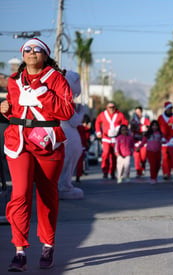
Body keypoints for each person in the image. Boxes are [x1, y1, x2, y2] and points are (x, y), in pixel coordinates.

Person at [0, 38, 74, 271]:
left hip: (47, 144)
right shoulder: (13, 81)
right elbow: (13, 107)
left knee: (46, 196)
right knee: (20, 194)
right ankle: (20, 251)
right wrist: (4, 109)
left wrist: (44, 93)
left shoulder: (56, 79)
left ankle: (48, 245)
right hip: (18, 142)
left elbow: (67, 111)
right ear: (23, 55)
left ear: (45, 55)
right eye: (27, 49)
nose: (32, 53)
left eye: (37, 49)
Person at [57, 71, 84, 200]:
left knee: (67, 161)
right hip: (67, 135)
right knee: (66, 161)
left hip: (66, 135)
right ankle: (64, 186)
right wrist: (82, 112)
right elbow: (74, 121)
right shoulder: (64, 101)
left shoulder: (64, 100)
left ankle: (64, 185)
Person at [95, 101, 129, 179]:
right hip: (106, 138)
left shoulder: (119, 115)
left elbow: (125, 123)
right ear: (107, 108)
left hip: (116, 138)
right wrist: (98, 132)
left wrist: (121, 129)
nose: (111, 109)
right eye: (110, 107)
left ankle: (112, 171)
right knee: (105, 154)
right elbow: (97, 123)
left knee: (114, 156)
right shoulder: (103, 115)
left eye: (113, 107)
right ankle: (105, 171)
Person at [136, 120, 163, 184]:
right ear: (151, 126)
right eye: (153, 125)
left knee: (158, 165)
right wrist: (139, 147)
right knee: (152, 165)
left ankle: (155, 176)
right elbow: (143, 142)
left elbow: (164, 140)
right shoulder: (147, 134)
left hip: (158, 151)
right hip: (150, 151)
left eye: (156, 126)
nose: (154, 127)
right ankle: (153, 178)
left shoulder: (160, 134)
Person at [130, 106, 150, 177]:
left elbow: (148, 129)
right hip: (136, 141)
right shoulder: (133, 121)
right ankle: (138, 172)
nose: (138, 113)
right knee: (136, 157)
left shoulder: (146, 120)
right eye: (136, 112)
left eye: (139, 112)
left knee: (143, 157)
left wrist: (142, 129)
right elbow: (132, 130)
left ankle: (143, 167)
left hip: (144, 142)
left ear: (141, 112)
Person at [157, 101, 173, 180]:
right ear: (166, 109)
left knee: (171, 157)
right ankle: (165, 173)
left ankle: (169, 172)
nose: (171, 110)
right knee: (165, 157)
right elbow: (157, 128)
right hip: (163, 140)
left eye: (171, 108)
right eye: (169, 108)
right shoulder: (161, 117)